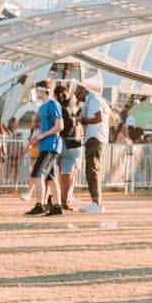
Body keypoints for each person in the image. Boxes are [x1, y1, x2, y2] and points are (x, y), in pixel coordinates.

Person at [25, 80, 64, 216]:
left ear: (44, 91)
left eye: (38, 90)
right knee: (50, 178)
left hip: (51, 145)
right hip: (45, 145)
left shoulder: (53, 104)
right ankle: (57, 206)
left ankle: (39, 205)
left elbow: (59, 126)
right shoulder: (42, 107)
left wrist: (42, 136)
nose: (36, 92)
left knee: (37, 174)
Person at [78, 84, 110, 212]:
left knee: (92, 170)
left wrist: (84, 120)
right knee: (93, 170)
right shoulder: (98, 100)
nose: (77, 97)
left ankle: (96, 203)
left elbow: (98, 118)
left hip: (95, 138)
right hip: (98, 137)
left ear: (84, 91)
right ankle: (96, 201)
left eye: (78, 94)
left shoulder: (94, 101)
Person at [54, 82, 82, 211]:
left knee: (59, 173)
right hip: (73, 142)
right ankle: (64, 200)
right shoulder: (74, 105)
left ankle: (58, 199)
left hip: (60, 141)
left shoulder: (57, 107)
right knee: (68, 174)